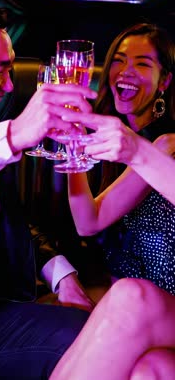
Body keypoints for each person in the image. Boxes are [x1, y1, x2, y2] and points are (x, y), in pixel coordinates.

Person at [0, 3, 174, 380]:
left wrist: (61, 275)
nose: (9, 87)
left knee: (118, 347)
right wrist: (16, 137)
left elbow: (14, 222)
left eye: (11, 71)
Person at [50, 117, 175, 380]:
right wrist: (75, 151)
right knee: (149, 371)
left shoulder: (153, 153)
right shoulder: (166, 146)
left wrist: (140, 152)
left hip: (151, 307)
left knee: (132, 297)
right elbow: (89, 221)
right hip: (163, 314)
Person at [66, 22, 175, 295]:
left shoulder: (166, 143)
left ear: (164, 81)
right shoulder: (113, 140)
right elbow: (86, 221)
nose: (126, 72)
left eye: (142, 64)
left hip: (156, 301)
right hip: (122, 292)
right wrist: (72, 140)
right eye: (118, 60)